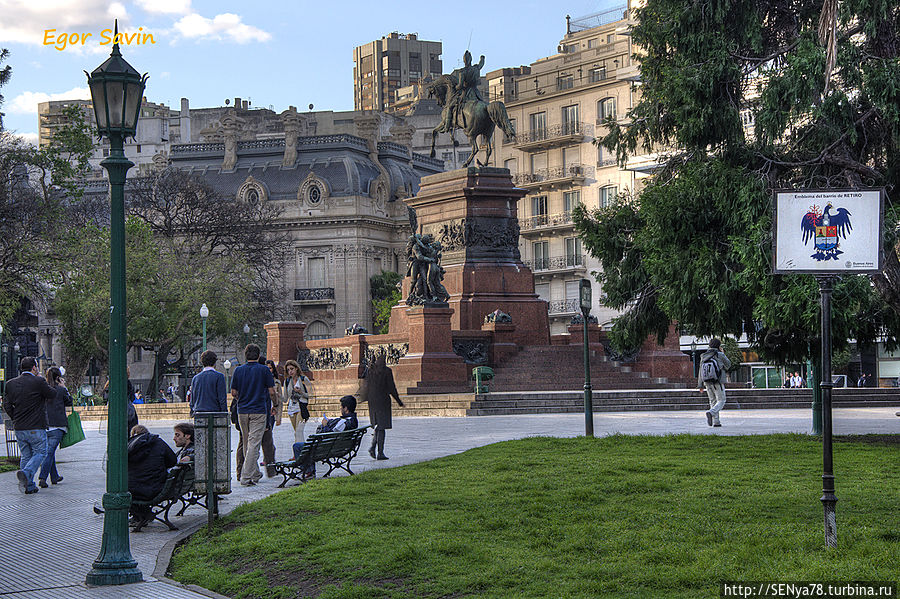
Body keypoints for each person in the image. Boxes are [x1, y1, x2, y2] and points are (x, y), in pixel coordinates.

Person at [2, 357, 56, 494]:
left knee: (26, 455)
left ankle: (29, 486)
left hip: (19, 427)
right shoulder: (38, 381)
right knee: (41, 452)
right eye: (36, 367)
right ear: (34, 367)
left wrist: (15, 417)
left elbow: (6, 404)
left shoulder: (10, 383)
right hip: (36, 425)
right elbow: (52, 394)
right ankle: (26, 472)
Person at [230, 344, 276, 486]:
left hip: (242, 410)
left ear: (245, 355)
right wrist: (276, 404)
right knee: (254, 444)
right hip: (259, 410)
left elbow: (233, 393)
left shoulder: (238, 370)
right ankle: (246, 476)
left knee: (246, 442)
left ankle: (255, 473)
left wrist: (241, 399)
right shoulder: (264, 370)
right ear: (258, 355)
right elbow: (272, 391)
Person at [290, 395, 358, 481]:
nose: (340, 409)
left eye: (341, 407)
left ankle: (308, 471)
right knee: (306, 446)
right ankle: (309, 471)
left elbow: (328, 435)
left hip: (327, 448)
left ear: (346, 409)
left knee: (297, 446)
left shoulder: (344, 422)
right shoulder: (353, 420)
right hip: (338, 447)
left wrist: (325, 425)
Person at [127, 424, 176, 526]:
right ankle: (144, 515)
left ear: (133, 435)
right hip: (158, 488)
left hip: (135, 491)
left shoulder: (129, 447)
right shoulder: (158, 442)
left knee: (130, 486)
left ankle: (140, 516)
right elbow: (172, 460)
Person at [359, 352, 404, 460]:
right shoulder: (386, 371)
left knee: (378, 426)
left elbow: (365, 385)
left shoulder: (371, 371)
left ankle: (373, 448)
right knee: (382, 427)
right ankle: (380, 453)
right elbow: (392, 387)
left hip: (373, 402)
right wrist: (398, 401)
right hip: (383, 402)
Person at [38, 366, 73, 488]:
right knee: (49, 452)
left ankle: (54, 476)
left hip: (45, 425)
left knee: (50, 452)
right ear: (58, 377)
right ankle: (42, 477)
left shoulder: (43, 390)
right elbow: (69, 402)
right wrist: (64, 387)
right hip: (58, 425)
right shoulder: (60, 390)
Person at [697, 338, 731, 427]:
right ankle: (711, 413)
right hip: (718, 381)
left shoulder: (703, 355)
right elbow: (728, 365)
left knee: (712, 401)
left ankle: (716, 422)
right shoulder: (720, 354)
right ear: (718, 346)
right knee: (721, 400)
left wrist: (700, 385)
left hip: (707, 382)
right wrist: (723, 353)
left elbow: (700, 371)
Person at [190, 350, 227, 414]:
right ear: (215, 362)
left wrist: (192, 410)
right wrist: (224, 412)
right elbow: (222, 398)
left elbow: (192, 399)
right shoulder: (219, 376)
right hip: (215, 411)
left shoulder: (195, 378)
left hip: (199, 412)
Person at [282, 359, 311, 443]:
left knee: (299, 432)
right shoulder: (287, 381)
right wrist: (278, 395)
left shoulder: (303, 379)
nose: (290, 371)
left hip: (301, 408)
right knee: (297, 433)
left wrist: (300, 392)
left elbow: (311, 395)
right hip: (291, 408)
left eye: (292, 369)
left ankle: (299, 454)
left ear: (296, 368)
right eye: (288, 370)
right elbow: (285, 398)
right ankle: (298, 453)